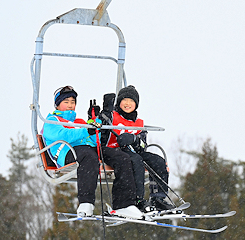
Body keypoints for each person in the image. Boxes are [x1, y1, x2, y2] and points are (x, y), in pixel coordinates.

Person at [42, 85, 143, 219]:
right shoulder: (51, 120)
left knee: (122, 158)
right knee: (89, 156)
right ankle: (86, 203)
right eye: (66, 102)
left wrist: (97, 122)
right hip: (66, 151)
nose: (70, 105)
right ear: (58, 104)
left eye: (72, 102)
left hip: (88, 148)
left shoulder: (79, 121)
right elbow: (65, 134)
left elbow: (95, 140)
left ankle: (123, 204)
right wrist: (86, 130)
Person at [100, 85, 173, 212]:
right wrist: (105, 113)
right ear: (119, 102)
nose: (128, 104)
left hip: (132, 151)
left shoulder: (138, 123)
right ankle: (137, 199)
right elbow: (102, 131)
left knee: (157, 161)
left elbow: (143, 145)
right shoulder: (112, 117)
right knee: (135, 161)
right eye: (125, 100)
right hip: (114, 151)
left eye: (131, 101)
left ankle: (158, 198)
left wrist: (134, 140)